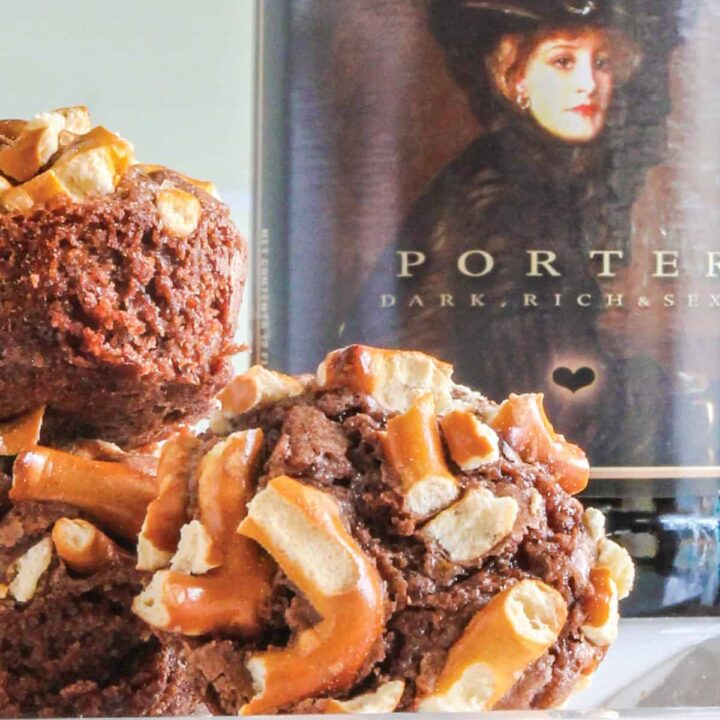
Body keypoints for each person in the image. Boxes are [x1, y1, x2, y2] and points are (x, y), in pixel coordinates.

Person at [343, 0, 671, 464]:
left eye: (601, 62)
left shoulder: (544, 175)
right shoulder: (505, 196)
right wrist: (672, 397)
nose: (588, 82)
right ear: (514, 78)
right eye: (562, 61)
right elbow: (560, 416)